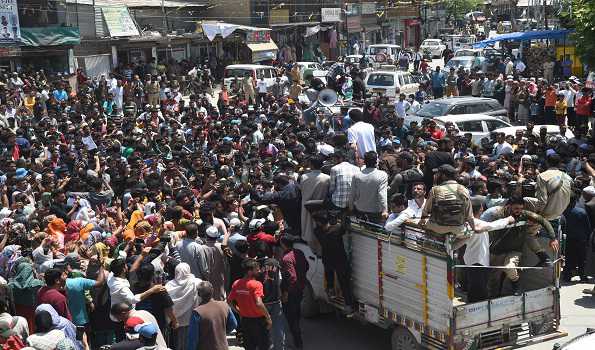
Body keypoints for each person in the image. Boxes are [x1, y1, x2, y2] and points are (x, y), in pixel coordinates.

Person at [482, 195, 559, 296]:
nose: (519, 211)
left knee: (510, 268)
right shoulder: (498, 214)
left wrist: (553, 238)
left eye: (521, 208)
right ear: (508, 206)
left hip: (514, 250)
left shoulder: (524, 214)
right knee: (494, 278)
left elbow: (543, 221)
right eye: (516, 208)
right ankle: (493, 298)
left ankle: (516, 285)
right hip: (497, 250)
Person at [453, 196, 515, 302]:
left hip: (473, 260)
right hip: (478, 262)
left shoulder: (466, 224)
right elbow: (493, 225)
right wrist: (508, 219)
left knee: (475, 289)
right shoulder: (477, 223)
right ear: (481, 208)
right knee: (478, 291)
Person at [228, 259, 272, 350]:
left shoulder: (236, 283)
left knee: (249, 346)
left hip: (245, 321)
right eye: (257, 269)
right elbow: (259, 303)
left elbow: (229, 301)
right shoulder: (257, 284)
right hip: (259, 322)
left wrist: (239, 311)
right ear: (249, 271)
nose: (259, 271)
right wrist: (268, 317)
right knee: (263, 346)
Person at [420, 164, 475, 235]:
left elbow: (426, 211)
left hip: (437, 228)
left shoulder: (435, 190)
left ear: (443, 176)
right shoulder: (463, 189)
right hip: (458, 230)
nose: (435, 176)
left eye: (437, 174)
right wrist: (474, 229)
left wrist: (422, 219)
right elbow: (469, 216)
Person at [187, 281, 237, 350]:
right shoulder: (224, 305)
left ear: (199, 294)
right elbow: (234, 324)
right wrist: (221, 332)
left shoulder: (197, 312)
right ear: (212, 291)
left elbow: (192, 339)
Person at [279, 235, 308, 349]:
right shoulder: (299, 252)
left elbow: (292, 277)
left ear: (283, 244)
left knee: (291, 318)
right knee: (296, 313)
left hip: (291, 292)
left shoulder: (286, 258)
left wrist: (285, 292)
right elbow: (306, 266)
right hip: (300, 289)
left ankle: (298, 344)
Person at [299, 155, 330, 252]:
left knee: (308, 231)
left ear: (311, 165)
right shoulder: (327, 178)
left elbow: (301, 191)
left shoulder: (304, 177)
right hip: (321, 209)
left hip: (306, 209)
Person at [349, 151, 389, 223]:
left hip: (360, 209)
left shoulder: (357, 176)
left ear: (364, 162)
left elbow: (352, 194)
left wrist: (351, 207)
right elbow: (382, 194)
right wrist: (385, 210)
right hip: (375, 211)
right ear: (376, 161)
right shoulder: (382, 175)